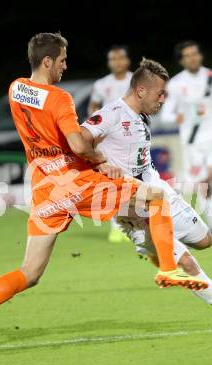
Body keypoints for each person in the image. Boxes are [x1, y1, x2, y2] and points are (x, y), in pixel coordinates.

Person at [0, 33, 207, 353]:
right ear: (48, 61)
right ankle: (168, 268)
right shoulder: (59, 98)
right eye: (62, 60)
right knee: (154, 197)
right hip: (73, 182)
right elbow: (76, 143)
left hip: (43, 188)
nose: (65, 66)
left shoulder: (16, 88)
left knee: (29, 273)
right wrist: (102, 161)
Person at [82, 58, 212, 326]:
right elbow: (78, 139)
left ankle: (153, 251)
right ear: (141, 91)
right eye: (160, 93)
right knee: (187, 264)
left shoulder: (141, 115)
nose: (163, 99)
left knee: (205, 240)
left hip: (157, 189)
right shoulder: (112, 114)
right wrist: (101, 164)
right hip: (131, 203)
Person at [161, 41, 212, 239]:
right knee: (203, 185)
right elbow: (166, 114)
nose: (192, 58)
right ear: (181, 60)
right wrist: (175, 118)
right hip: (192, 143)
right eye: (187, 55)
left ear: (200, 55)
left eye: (195, 53)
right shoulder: (177, 84)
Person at [88, 45, 133, 243]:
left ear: (127, 60)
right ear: (109, 63)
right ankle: (117, 227)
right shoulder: (101, 85)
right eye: (112, 59)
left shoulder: (137, 80)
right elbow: (94, 108)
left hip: (133, 138)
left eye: (120, 58)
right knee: (115, 182)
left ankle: (134, 224)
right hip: (109, 141)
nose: (117, 62)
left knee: (135, 181)